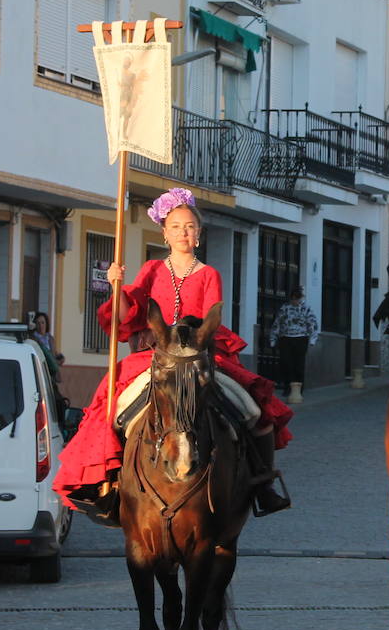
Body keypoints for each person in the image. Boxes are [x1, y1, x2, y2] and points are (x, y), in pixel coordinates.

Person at [53, 187, 292, 522]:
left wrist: (189, 338)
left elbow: (210, 320)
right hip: (154, 356)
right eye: (176, 226)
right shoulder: (151, 270)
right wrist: (115, 286)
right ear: (164, 233)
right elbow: (126, 315)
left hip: (198, 355)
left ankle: (263, 484)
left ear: (199, 233)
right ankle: (107, 484)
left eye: (190, 227)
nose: (183, 232)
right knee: (110, 407)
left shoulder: (209, 274)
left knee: (254, 410)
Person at [269, 287, 319, 405]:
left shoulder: (306, 309)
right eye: (293, 299)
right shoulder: (285, 308)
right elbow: (277, 323)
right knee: (286, 362)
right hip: (286, 338)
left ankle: (298, 387)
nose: (295, 301)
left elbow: (312, 324)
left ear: (300, 298)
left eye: (297, 299)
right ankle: (288, 386)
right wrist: (273, 338)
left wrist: (313, 339)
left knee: (299, 363)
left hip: (301, 338)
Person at [30, 311, 64, 382]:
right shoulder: (33, 339)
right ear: (35, 325)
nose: (41, 326)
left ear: (46, 324)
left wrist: (60, 358)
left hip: (51, 374)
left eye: (43, 322)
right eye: (38, 323)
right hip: (40, 371)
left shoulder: (50, 338)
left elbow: (53, 354)